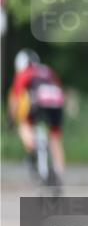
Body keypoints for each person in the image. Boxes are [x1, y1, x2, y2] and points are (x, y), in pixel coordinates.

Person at [7, 48, 66, 182]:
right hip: (57, 101)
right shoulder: (47, 70)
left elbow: (16, 97)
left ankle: (32, 149)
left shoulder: (24, 72)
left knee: (24, 123)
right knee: (55, 137)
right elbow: (58, 87)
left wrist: (11, 117)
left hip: (39, 102)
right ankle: (59, 172)